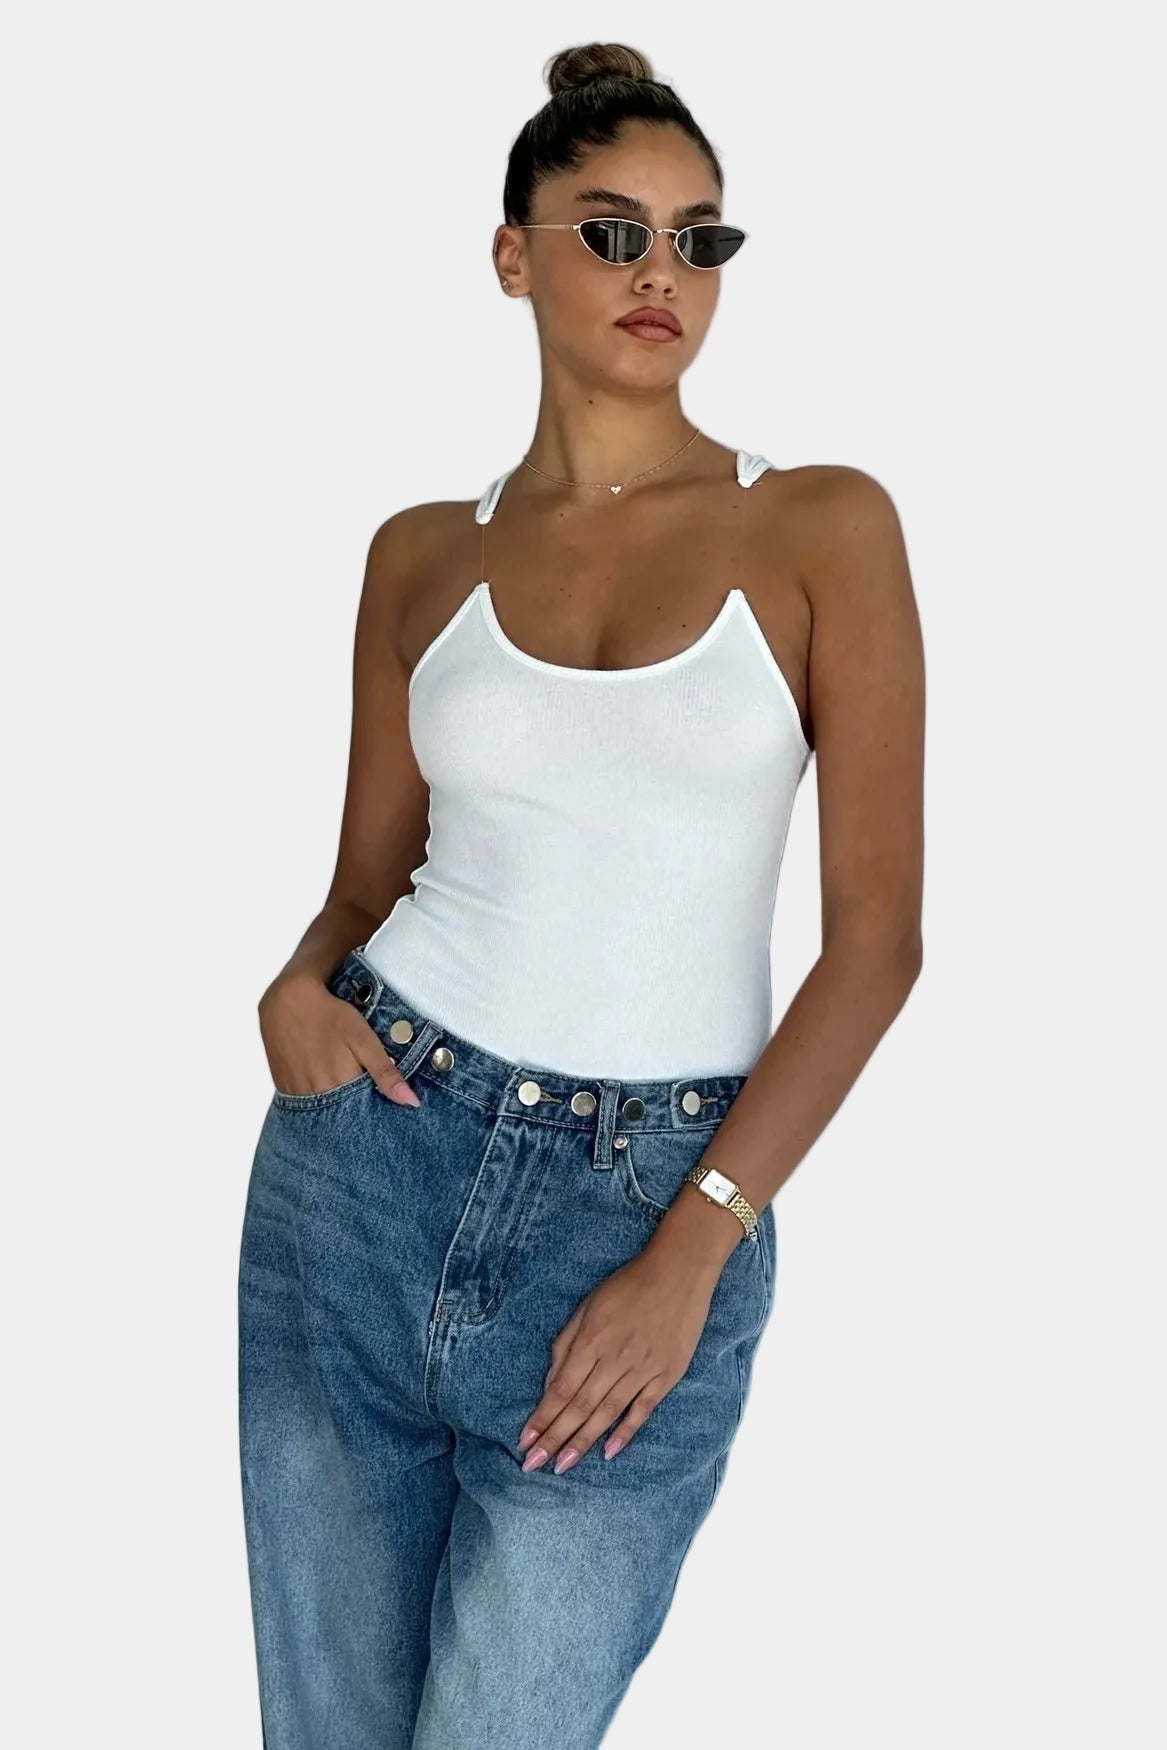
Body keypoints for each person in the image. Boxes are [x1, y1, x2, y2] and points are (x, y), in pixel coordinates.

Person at [237, 37, 925, 1750]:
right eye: (612, 231)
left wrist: (696, 1244)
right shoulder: (421, 554)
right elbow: (363, 883)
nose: (660, 274)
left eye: (700, 239)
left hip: (650, 1196)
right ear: (512, 255)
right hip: (365, 1167)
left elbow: (878, 942)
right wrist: (298, 985)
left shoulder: (823, 527)